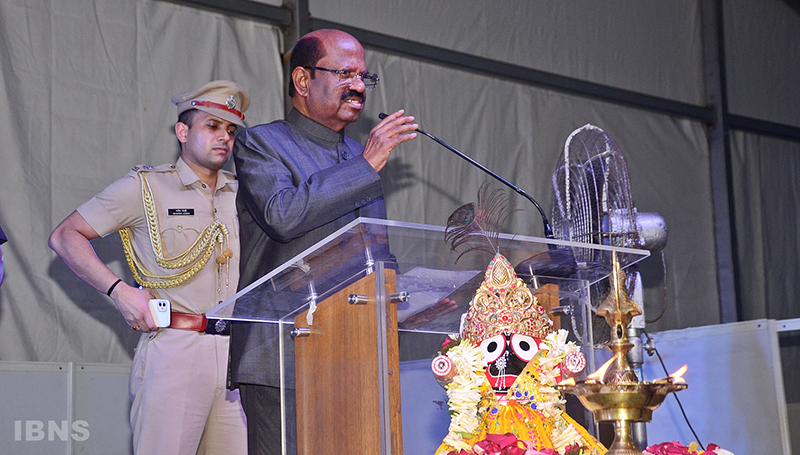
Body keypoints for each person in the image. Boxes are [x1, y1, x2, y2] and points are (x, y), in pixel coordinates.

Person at [229, 29, 418, 455]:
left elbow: (372, 251)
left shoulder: (358, 155)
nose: (357, 86)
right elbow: (283, 215)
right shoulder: (261, 142)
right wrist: (367, 165)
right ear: (302, 81)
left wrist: (404, 302)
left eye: (364, 77)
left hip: (356, 354)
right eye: (345, 73)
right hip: (282, 356)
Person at [48, 80, 250, 455]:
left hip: (237, 355)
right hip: (176, 348)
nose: (224, 137)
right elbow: (65, 236)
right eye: (212, 126)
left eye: (231, 130)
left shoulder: (245, 192)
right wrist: (119, 291)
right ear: (183, 131)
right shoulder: (146, 187)